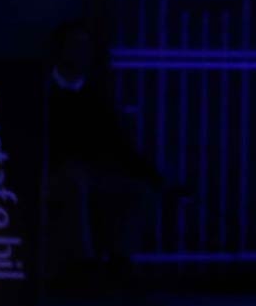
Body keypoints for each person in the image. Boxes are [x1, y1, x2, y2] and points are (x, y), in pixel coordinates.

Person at [43, 20, 184, 288]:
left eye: (85, 47)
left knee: (138, 190)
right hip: (57, 173)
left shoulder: (97, 97)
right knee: (74, 182)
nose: (80, 53)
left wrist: (153, 176)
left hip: (95, 173)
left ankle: (120, 260)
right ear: (60, 50)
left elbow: (119, 144)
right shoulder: (44, 93)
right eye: (73, 46)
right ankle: (80, 265)